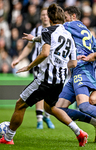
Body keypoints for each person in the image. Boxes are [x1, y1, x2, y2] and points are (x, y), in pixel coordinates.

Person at [23, 6, 96, 142]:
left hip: (82, 70)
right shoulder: (86, 30)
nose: (64, 19)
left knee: (84, 104)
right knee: (57, 108)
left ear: (73, 16)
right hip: (79, 70)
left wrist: (34, 39)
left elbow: (53, 33)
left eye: (66, 16)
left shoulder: (68, 25)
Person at [0, 4, 88, 147]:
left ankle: (8, 137)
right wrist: (35, 40)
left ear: (51, 18)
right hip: (60, 80)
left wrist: (29, 66)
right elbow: (73, 63)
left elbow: (45, 52)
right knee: (51, 108)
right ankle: (79, 132)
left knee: (20, 104)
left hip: (45, 79)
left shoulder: (47, 31)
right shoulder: (68, 36)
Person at [11, 7, 55, 129]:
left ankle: (46, 116)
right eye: (43, 15)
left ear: (50, 17)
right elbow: (29, 47)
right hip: (38, 65)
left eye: (47, 15)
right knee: (39, 91)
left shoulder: (55, 31)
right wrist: (19, 59)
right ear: (40, 17)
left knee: (50, 93)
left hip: (51, 66)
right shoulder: (36, 30)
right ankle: (40, 119)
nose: (45, 16)